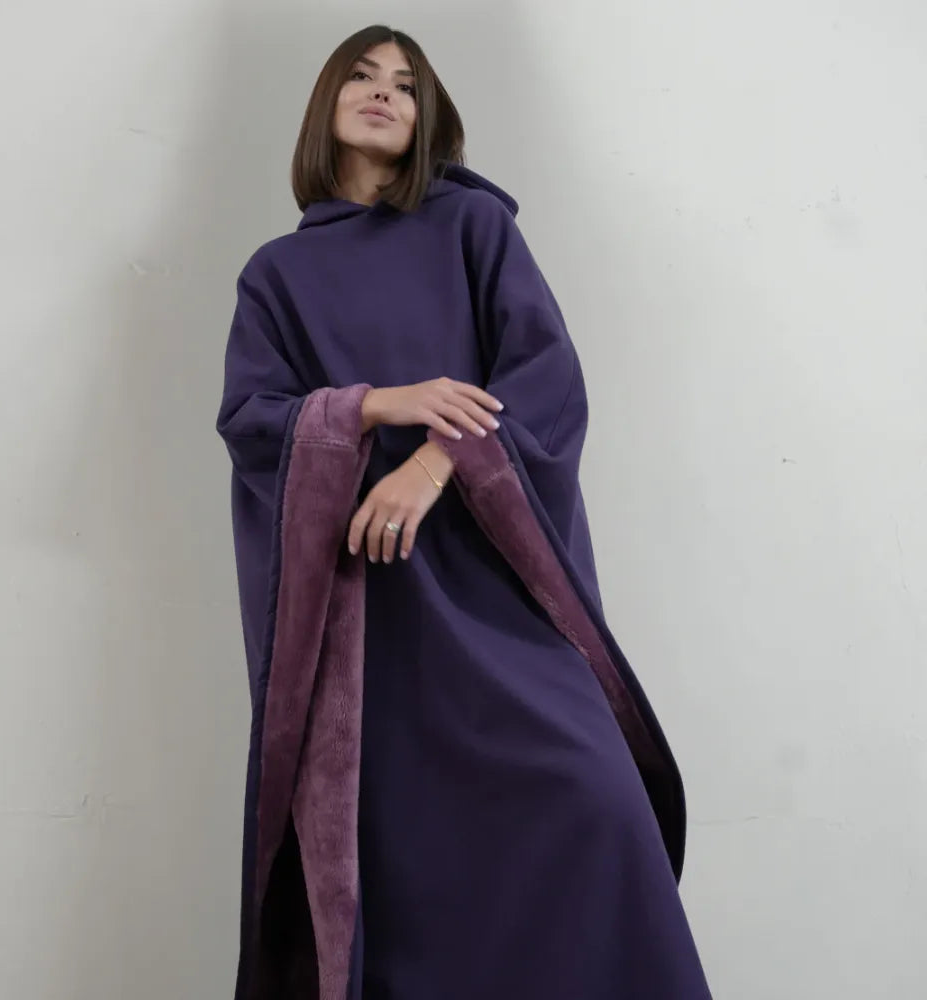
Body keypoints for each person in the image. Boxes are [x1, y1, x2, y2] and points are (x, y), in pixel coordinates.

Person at [216, 23, 711, 1000]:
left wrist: (437, 461)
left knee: (595, 799)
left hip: (494, 589)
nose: (383, 92)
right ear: (324, 104)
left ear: (428, 118)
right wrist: (373, 405)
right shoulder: (276, 274)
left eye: (406, 85)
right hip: (375, 625)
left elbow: (545, 379)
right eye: (362, 76)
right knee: (406, 871)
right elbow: (250, 419)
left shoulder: (472, 228)